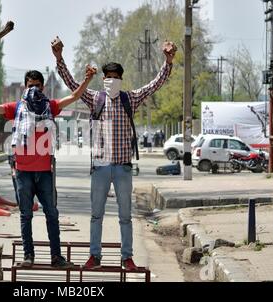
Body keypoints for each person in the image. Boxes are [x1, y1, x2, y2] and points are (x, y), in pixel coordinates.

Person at [52, 37, 176, 270]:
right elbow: (72, 84)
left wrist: (167, 62)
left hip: (122, 167)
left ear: (121, 79)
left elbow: (155, 84)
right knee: (96, 215)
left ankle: (126, 257)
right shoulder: (94, 98)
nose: (111, 80)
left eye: (115, 77)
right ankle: (94, 257)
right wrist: (59, 59)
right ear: (103, 79)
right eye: (108, 77)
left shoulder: (131, 98)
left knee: (125, 217)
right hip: (100, 167)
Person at [0, 65, 97, 268]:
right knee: (26, 215)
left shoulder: (50, 106)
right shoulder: (17, 108)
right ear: (25, 88)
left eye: (36, 86)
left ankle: (56, 257)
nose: (33, 89)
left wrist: (87, 80)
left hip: (44, 172)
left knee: (52, 214)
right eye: (30, 86)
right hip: (23, 172)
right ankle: (28, 256)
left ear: (42, 88)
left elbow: (73, 97)